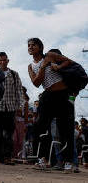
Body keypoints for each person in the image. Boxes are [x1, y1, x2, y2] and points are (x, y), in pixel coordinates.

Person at [27, 38, 75, 173]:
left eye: (33, 45)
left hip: (63, 94)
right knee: (40, 128)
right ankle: (42, 159)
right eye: (29, 45)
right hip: (47, 96)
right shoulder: (31, 66)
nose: (30, 47)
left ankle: (68, 162)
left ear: (40, 47)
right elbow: (36, 83)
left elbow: (69, 61)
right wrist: (44, 66)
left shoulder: (50, 55)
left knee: (65, 128)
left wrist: (57, 66)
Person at [0, 52, 23, 165]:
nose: (2, 62)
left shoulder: (14, 74)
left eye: (4, 60)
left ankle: (7, 157)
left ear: (8, 61)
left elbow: (19, 91)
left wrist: (20, 106)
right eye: (0, 60)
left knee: (9, 135)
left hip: (10, 108)